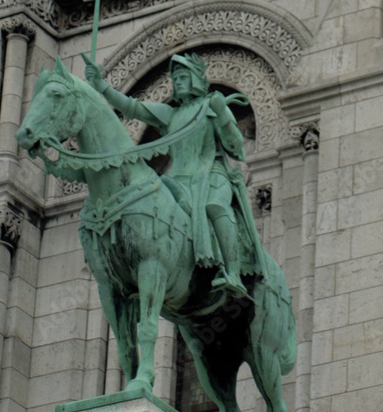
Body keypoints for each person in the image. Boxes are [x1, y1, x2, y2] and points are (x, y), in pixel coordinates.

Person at [82, 50, 257, 300]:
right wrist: (102, 86)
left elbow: (236, 146)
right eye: (176, 78)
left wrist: (223, 116)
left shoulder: (211, 105)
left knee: (216, 206)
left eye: (184, 76)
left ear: (196, 79)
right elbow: (133, 107)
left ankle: (233, 273)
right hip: (179, 180)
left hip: (212, 173)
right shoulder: (170, 115)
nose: (178, 82)